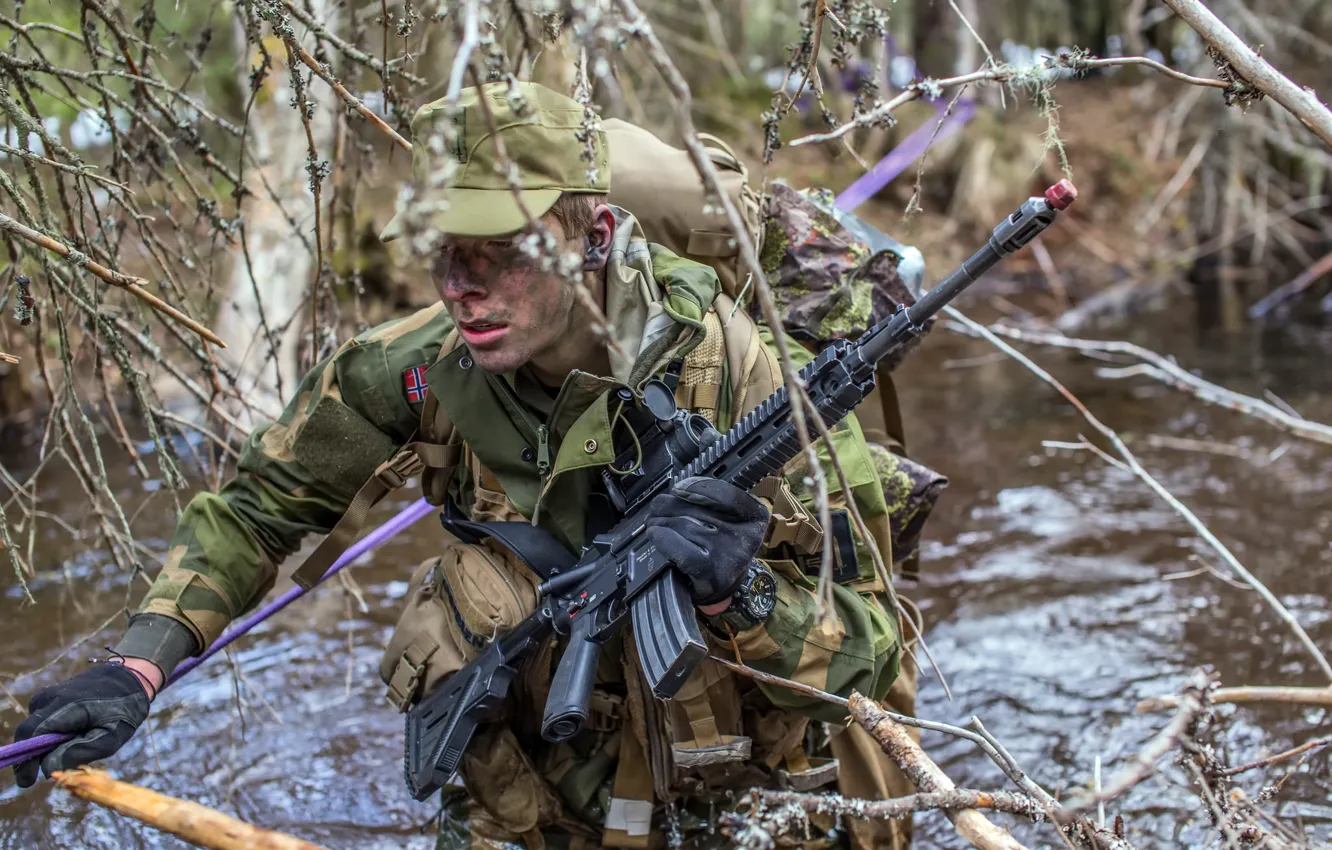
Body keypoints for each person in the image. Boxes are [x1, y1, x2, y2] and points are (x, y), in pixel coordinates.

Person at [13, 82, 906, 849]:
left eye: (501, 251)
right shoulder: (418, 366)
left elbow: (872, 655)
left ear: (592, 235)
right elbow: (261, 506)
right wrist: (138, 666)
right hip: (535, 787)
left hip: (735, 793)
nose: (459, 286)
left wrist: (735, 591)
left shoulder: (752, 382)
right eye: (443, 251)